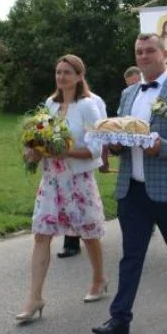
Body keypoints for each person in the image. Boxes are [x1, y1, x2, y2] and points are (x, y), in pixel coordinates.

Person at [91, 33, 167, 334]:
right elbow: (122, 138)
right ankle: (120, 317)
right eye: (139, 52)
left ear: (163, 53)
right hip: (133, 188)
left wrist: (163, 147)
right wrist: (114, 145)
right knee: (131, 255)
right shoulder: (129, 95)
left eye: (149, 51)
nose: (143, 56)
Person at [16, 54, 106, 323]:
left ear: (80, 76)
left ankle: (99, 279)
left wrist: (62, 150)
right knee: (41, 234)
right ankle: (34, 298)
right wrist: (33, 151)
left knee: (88, 234)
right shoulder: (50, 104)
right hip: (52, 180)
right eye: (58, 72)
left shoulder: (88, 106)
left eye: (67, 72)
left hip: (78, 181)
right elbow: (40, 137)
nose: (61, 77)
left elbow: (94, 149)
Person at [57, 90, 110, 259]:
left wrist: (104, 159)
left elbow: (102, 131)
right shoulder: (57, 102)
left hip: (82, 160)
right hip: (60, 167)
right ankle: (71, 243)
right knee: (67, 201)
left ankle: (87, 241)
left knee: (81, 204)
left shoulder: (94, 101)